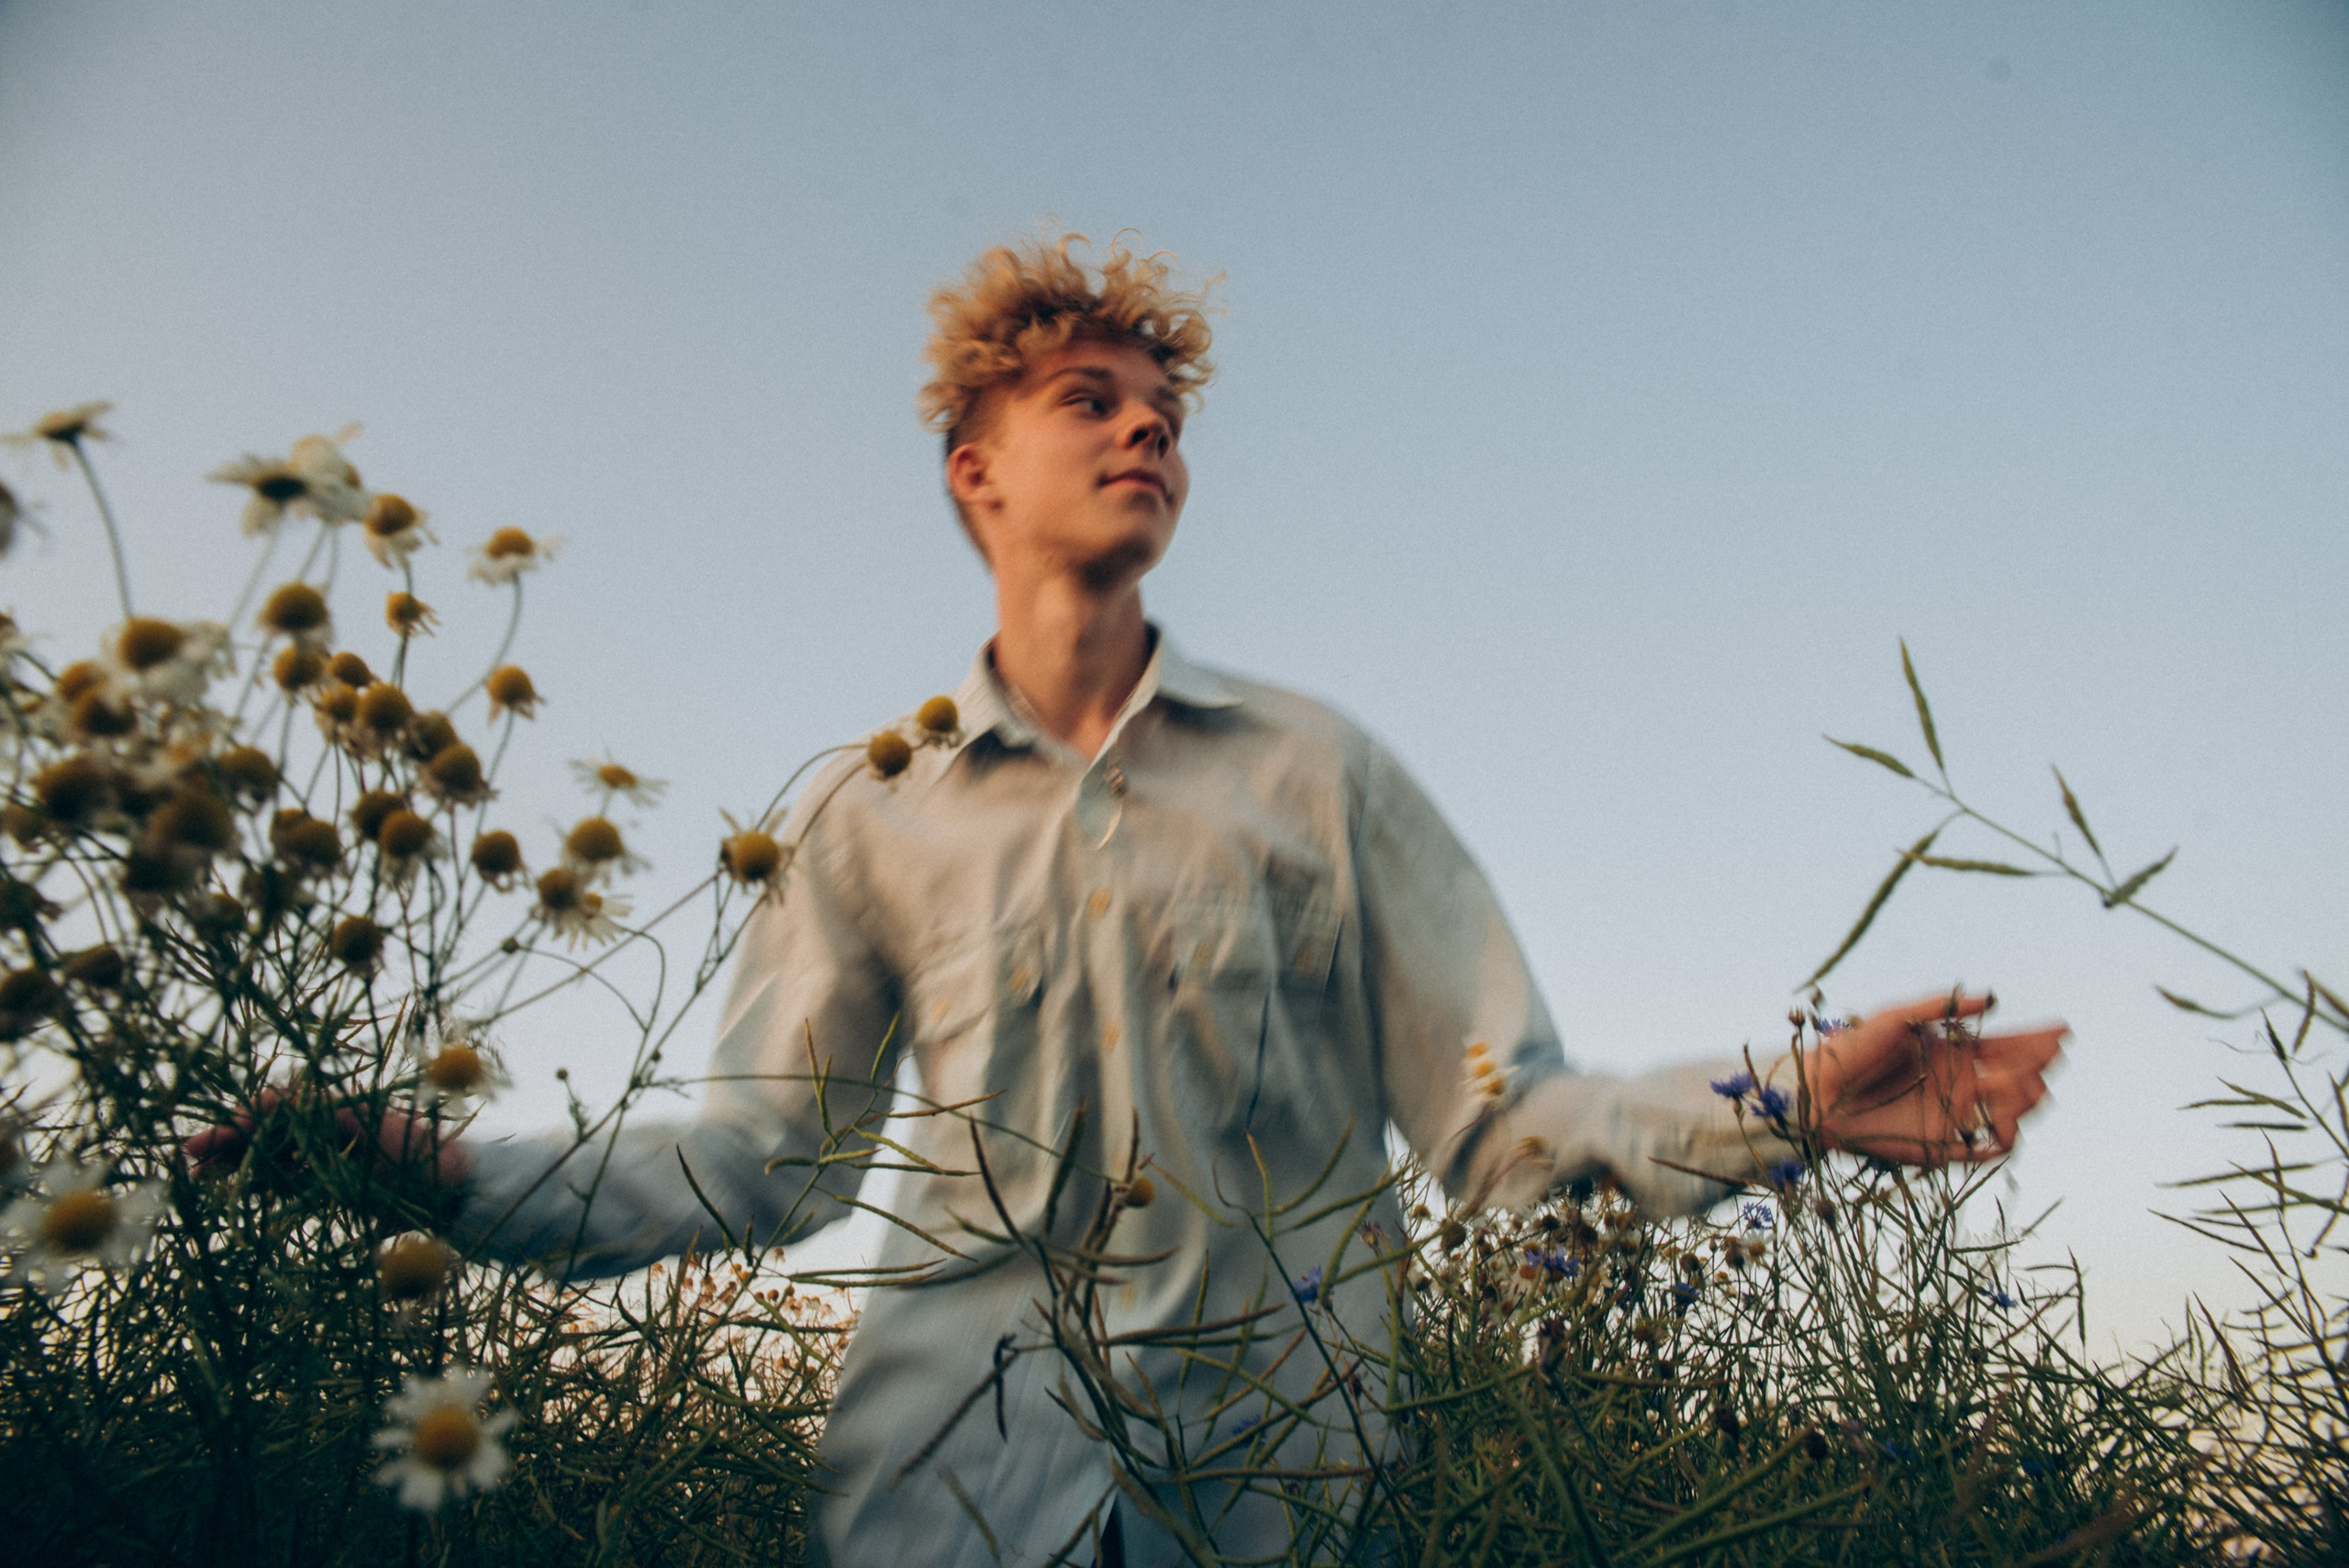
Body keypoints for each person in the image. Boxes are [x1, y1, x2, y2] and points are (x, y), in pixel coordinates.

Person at [207, 234, 2065, 1566]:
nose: (1144, 436)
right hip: (943, 1504)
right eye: (1089, 402)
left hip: (1268, 1498)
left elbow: (1504, 1129)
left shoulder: (1315, 777)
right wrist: (434, 1175)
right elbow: (762, 1165)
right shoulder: (871, 815)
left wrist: (1794, 1099)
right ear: (974, 472)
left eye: (1164, 413)